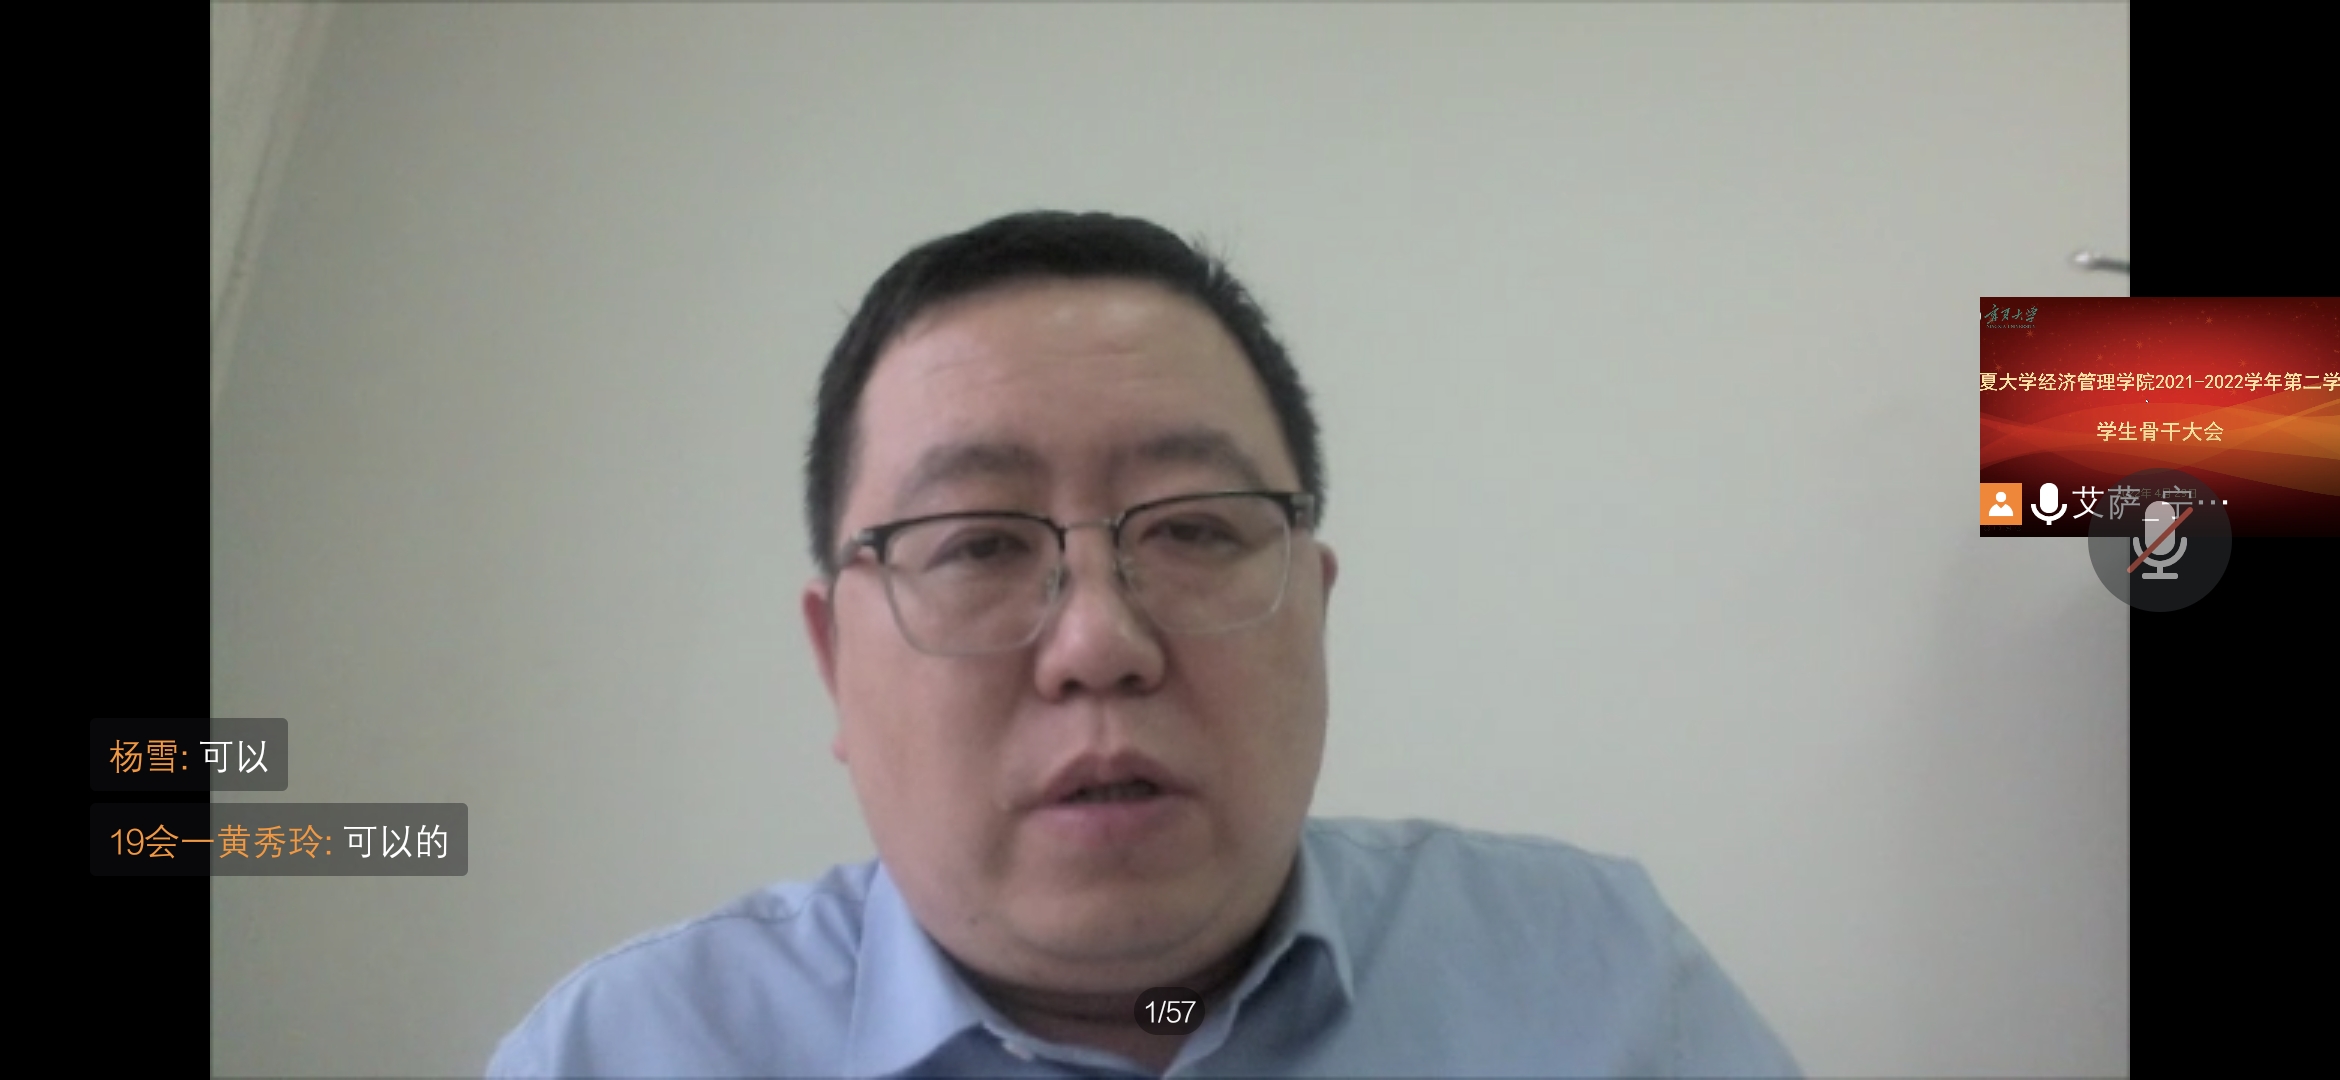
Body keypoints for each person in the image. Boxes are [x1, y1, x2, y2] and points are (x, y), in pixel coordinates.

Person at [490, 210, 1801, 1077]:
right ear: (836, 663)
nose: (1098, 644)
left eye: (1191, 530)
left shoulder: (1601, 983)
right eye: (978, 544)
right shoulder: (624, 1053)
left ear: (1315, 608)